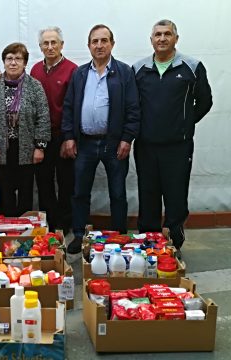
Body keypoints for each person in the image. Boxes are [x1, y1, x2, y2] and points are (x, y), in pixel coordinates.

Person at [132, 19, 212, 256]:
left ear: (176, 38)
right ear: (151, 40)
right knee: (148, 195)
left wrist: (184, 124)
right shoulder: (139, 69)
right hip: (146, 146)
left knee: (176, 195)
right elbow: (133, 107)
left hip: (178, 146)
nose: (162, 38)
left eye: (167, 34)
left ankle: (174, 242)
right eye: (157, 34)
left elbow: (205, 102)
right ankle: (149, 243)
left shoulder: (192, 67)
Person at [62, 24, 140, 254]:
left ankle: (119, 236)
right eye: (94, 41)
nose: (99, 45)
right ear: (88, 46)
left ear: (112, 44)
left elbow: (133, 109)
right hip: (84, 142)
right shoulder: (80, 74)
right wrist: (69, 137)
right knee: (80, 192)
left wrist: (127, 139)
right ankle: (79, 235)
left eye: (104, 40)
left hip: (114, 143)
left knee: (117, 192)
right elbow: (68, 107)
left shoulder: (124, 72)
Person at [0, 42, 51, 217]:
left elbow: (43, 117)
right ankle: (7, 230)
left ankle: (25, 232)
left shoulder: (35, 86)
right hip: (2, 147)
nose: (13, 62)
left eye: (18, 59)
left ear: (25, 62)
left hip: (27, 148)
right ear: (4, 61)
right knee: (5, 191)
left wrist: (40, 146)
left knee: (25, 191)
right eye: (9, 58)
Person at [30, 27, 77, 234]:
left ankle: (65, 222)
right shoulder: (35, 70)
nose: (50, 47)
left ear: (62, 45)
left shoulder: (73, 70)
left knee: (66, 182)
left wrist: (70, 137)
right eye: (45, 43)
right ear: (40, 47)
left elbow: (74, 106)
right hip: (41, 136)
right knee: (44, 181)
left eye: (54, 42)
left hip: (63, 135)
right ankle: (48, 222)